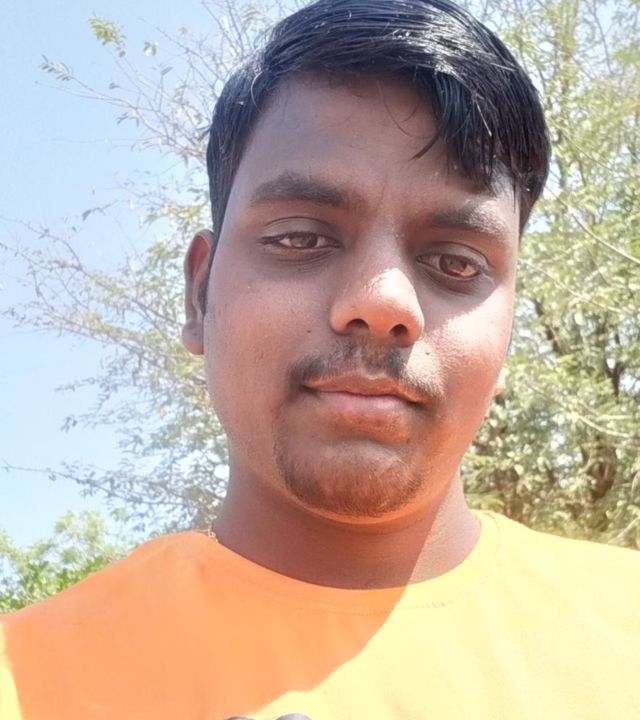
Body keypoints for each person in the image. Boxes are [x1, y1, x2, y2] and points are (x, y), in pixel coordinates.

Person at [1, 0, 638, 718]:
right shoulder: (29, 682)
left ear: (509, 326)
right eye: (300, 238)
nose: (384, 301)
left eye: (457, 263)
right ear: (199, 294)